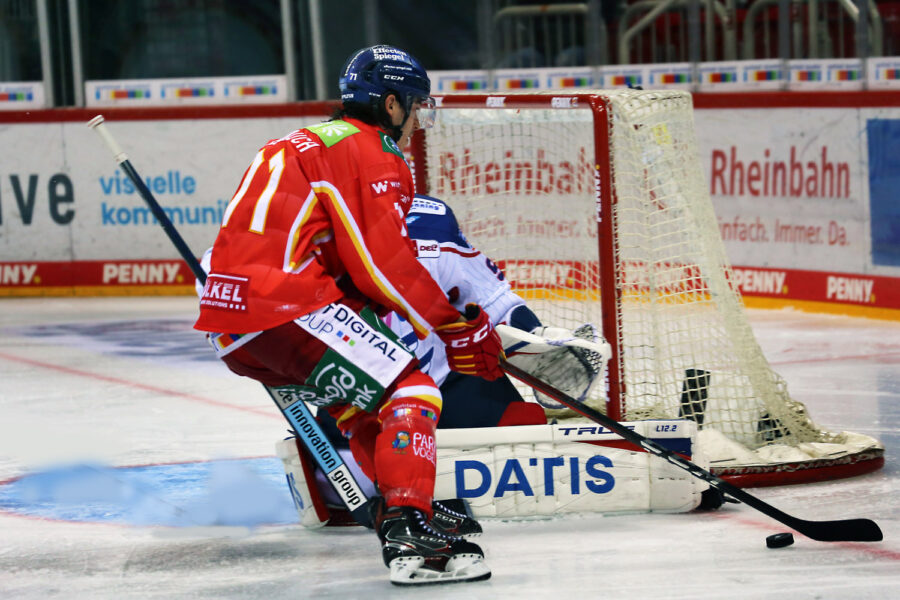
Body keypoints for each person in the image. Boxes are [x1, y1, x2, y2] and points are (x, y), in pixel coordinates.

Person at [194, 45, 500, 586]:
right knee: (413, 390)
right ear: (389, 103)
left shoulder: (301, 141)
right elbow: (382, 263)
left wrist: (386, 323)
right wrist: (455, 323)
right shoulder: (372, 151)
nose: (414, 120)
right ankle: (408, 526)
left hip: (233, 321)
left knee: (365, 401)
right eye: (412, 106)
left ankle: (399, 507)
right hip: (284, 305)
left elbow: (338, 266)